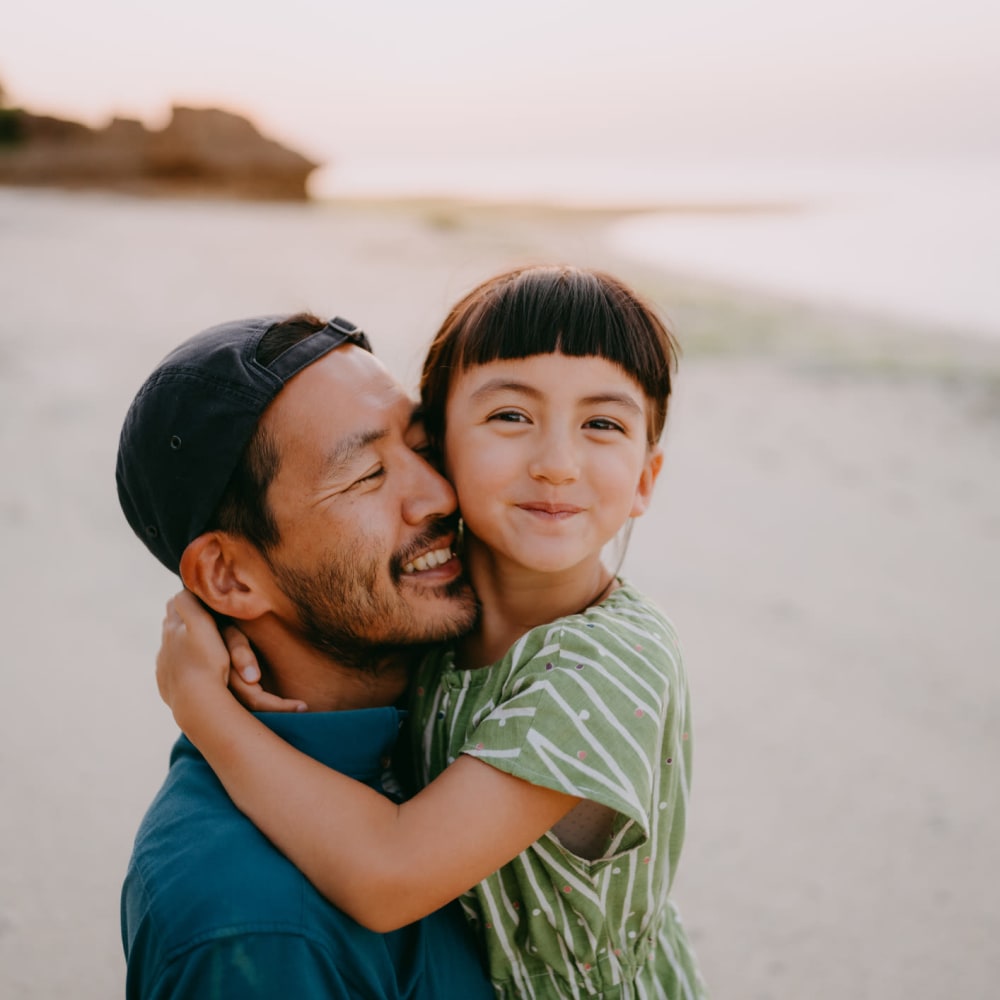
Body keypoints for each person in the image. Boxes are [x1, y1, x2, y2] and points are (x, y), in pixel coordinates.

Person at [157, 266, 707, 998]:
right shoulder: (442, 602)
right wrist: (212, 611)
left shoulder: (606, 666)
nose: (556, 465)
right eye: (511, 417)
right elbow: (312, 582)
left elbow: (389, 875)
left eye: (603, 424)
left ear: (646, 478)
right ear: (449, 446)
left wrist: (204, 708)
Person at [116, 312, 495, 999]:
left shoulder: (458, 719)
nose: (439, 495)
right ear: (230, 578)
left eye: (424, 446)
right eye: (370, 473)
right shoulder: (258, 930)